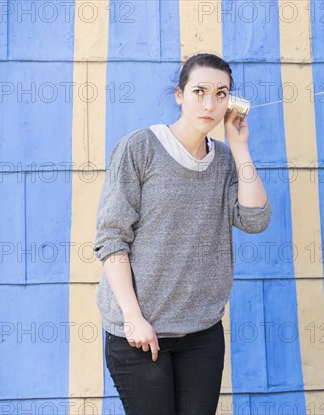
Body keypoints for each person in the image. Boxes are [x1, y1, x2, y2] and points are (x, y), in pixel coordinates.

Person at [94, 53, 271, 415]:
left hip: (201, 333)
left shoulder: (223, 160)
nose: (210, 103)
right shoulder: (140, 148)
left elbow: (255, 219)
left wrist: (239, 146)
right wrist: (132, 317)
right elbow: (112, 238)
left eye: (221, 94)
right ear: (179, 95)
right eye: (199, 91)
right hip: (141, 332)